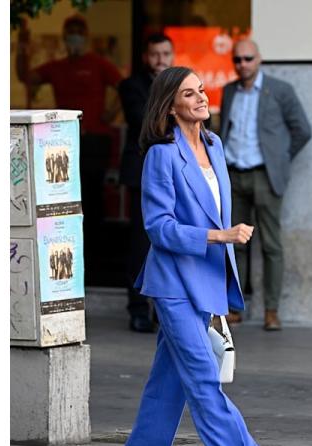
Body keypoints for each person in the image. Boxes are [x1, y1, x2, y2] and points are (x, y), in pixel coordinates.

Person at [118, 67, 278, 446]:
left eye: (202, 90)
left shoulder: (215, 144)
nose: (201, 98)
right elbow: (159, 227)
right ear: (171, 106)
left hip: (206, 280)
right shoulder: (162, 155)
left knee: (169, 380)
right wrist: (218, 236)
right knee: (202, 375)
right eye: (189, 94)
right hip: (171, 283)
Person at [15, 15, 123, 274]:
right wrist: (21, 48)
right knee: (63, 201)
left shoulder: (99, 64)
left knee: (93, 201)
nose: (74, 35)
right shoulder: (57, 67)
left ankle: (94, 264)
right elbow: (26, 78)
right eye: (70, 31)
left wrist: (111, 113)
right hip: (60, 142)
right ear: (64, 36)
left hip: (94, 140)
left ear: (85, 35)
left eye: (78, 30)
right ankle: (66, 259)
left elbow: (124, 87)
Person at [219, 39, 312, 331]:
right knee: (236, 244)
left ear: (259, 58)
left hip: (265, 175)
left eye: (248, 58)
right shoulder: (228, 91)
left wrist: (280, 161)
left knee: (271, 245)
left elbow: (303, 130)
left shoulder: (280, 90)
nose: (242, 64)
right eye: (237, 59)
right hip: (234, 175)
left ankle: (272, 310)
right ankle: (235, 307)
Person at [118, 33, 175, 333]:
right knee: (140, 243)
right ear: (146, 57)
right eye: (155, 54)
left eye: (166, 53)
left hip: (174, 175)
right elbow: (147, 121)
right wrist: (168, 94)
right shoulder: (132, 86)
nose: (161, 60)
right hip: (141, 173)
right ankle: (138, 308)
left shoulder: (182, 85)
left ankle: (162, 307)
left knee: (170, 242)